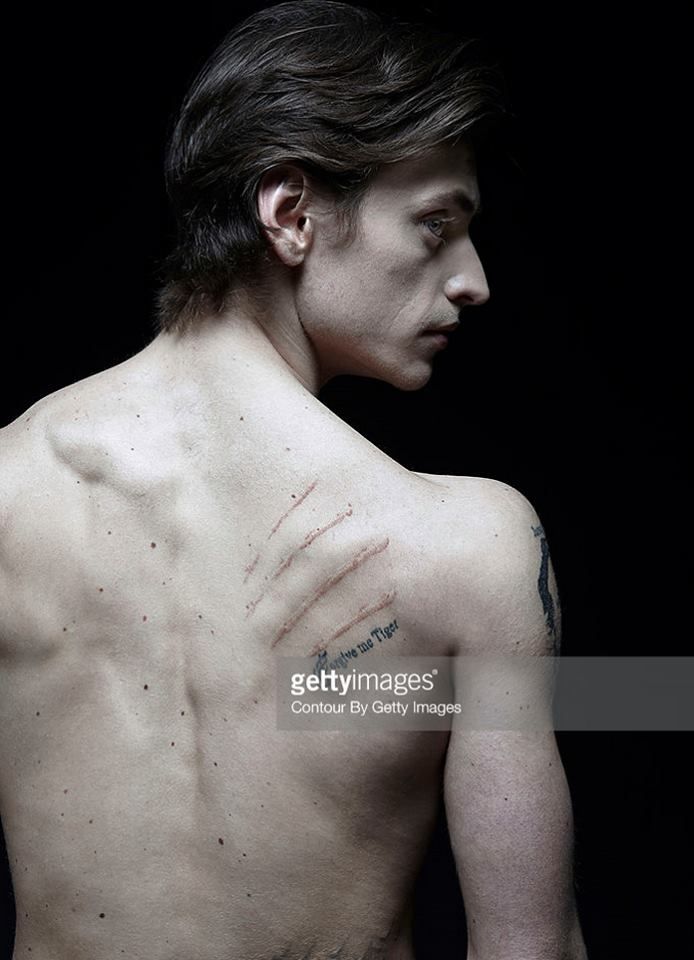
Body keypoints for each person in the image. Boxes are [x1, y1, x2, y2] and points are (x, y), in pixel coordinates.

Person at [0, 2, 588, 957]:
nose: (473, 279)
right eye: (436, 225)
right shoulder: (467, 544)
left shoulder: (9, 490)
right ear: (291, 214)